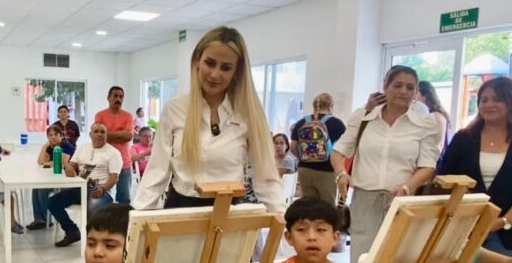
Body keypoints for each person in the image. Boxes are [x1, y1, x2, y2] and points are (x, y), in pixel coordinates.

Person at [133, 26, 284, 213]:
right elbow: (157, 172)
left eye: (226, 68)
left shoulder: (248, 114)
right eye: (210, 63)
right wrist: (134, 221)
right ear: (197, 60)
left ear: (237, 71)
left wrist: (283, 223)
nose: (215, 74)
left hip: (229, 215)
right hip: (182, 213)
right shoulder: (175, 110)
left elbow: (267, 178)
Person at [331, 66, 440, 263]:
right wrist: (341, 174)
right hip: (365, 200)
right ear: (385, 87)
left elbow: (428, 166)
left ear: (416, 92)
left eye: (410, 88)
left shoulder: (424, 123)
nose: (403, 92)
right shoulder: (363, 118)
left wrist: (409, 186)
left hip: (401, 202)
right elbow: (338, 152)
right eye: (397, 85)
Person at [439, 77, 512, 263]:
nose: (488, 104)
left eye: (497, 99)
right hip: (465, 231)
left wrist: (501, 221)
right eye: (483, 100)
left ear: (511, 103)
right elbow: (444, 178)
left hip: (511, 233)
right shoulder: (464, 138)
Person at [48, 123, 121, 247]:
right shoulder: (83, 148)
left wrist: (103, 188)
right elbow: (72, 164)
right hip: (80, 188)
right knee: (52, 202)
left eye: (102, 132)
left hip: (101, 191)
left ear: (106, 135)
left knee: (92, 206)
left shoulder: (113, 153)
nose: (99, 134)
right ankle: (72, 232)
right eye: (96, 131)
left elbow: (115, 178)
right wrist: (69, 168)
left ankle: (93, 242)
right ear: (90, 134)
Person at [290, 93, 345, 204]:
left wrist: (305, 158)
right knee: (327, 206)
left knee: (309, 205)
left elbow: (293, 147)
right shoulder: (337, 124)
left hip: (304, 170)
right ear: (331, 106)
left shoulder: (302, 122)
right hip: (326, 171)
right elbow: (343, 149)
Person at [26, 126, 75, 231]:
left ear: (61, 135)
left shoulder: (67, 146)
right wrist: (45, 146)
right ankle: (39, 219)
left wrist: (49, 163)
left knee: (43, 189)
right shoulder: (50, 147)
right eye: (50, 135)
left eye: (55, 134)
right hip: (52, 177)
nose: (53, 137)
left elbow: (63, 162)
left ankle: (47, 219)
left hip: (65, 180)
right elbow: (40, 162)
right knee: (36, 188)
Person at [95, 86, 134, 204]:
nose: (118, 99)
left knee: (124, 199)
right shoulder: (100, 115)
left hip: (124, 162)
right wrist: (121, 134)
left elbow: (129, 137)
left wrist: (107, 133)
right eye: (115, 96)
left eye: (121, 97)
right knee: (102, 197)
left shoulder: (128, 116)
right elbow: (99, 136)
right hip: (104, 162)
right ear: (108, 98)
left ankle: (123, 223)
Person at [417, 81, 451, 154]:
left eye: (415, 92)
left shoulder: (437, 116)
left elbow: (438, 147)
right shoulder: (420, 114)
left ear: (425, 96)